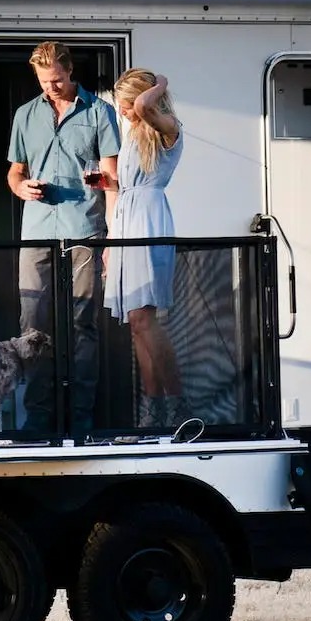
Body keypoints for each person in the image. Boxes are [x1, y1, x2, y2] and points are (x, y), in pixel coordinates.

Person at [6, 41, 120, 436]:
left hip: (83, 232)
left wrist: (109, 237)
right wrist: (22, 189)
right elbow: (15, 173)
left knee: (82, 325)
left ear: (70, 72)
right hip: (37, 231)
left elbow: (112, 180)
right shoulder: (25, 115)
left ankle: (80, 417)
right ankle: (37, 419)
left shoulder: (99, 113)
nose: (50, 88)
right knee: (33, 325)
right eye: (43, 81)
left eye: (56, 80)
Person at [106, 69, 187, 429]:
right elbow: (128, 184)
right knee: (136, 325)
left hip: (149, 222)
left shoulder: (166, 127)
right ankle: (151, 412)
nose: (124, 109)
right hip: (128, 220)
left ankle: (177, 404)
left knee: (145, 319)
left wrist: (162, 83)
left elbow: (143, 104)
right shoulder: (134, 136)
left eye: (125, 103)